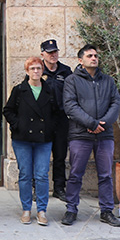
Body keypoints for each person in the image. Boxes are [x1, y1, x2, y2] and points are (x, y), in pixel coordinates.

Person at [61, 44, 120, 227]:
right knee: (75, 174)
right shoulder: (72, 81)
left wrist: (102, 124)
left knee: (105, 175)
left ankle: (106, 211)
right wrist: (91, 123)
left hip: (104, 135)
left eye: (96, 55)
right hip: (80, 135)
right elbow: (70, 106)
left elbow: (115, 103)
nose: (94, 58)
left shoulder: (109, 81)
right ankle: (71, 209)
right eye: (89, 56)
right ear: (81, 60)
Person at [3, 56, 56, 226]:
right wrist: (19, 125)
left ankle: (41, 210)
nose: (35, 71)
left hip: (43, 139)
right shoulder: (19, 90)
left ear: (43, 71)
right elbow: (8, 110)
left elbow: (56, 113)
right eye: (32, 68)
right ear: (27, 71)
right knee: (25, 174)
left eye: (38, 68)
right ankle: (26, 209)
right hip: (22, 139)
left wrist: (50, 128)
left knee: (41, 175)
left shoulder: (49, 90)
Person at [40, 38, 72, 200]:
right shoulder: (38, 70)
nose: (53, 55)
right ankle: (37, 187)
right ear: (42, 54)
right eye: (50, 52)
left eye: (55, 52)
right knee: (40, 156)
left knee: (60, 155)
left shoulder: (66, 71)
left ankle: (59, 188)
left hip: (61, 120)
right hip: (42, 120)